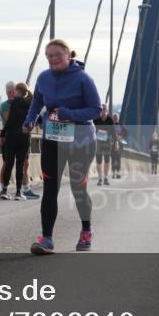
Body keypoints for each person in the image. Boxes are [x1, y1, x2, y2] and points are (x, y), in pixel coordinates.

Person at [22, 39, 102, 254]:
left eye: (57, 54)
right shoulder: (44, 77)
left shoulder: (83, 78)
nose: (52, 59)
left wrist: (69, 114)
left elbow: (95, 110)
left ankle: (86, 230)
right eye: (48, 56)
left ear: (68, 55)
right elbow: (37, 101)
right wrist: (30, 120)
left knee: (78, 187)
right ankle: (46, 238)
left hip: (81, 139)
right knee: (50, 188)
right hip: (53, 138)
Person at [0, 83, 33, 200]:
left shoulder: (14, 103)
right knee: (20, 165)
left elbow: (10, 121)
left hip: (12, 137)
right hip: (24, 137)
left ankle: (5, 190)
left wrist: (3, 133)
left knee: (9, 163)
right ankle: (18, 192)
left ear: (18, 91)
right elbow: (32, 121)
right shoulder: (30, 103)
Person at [94, 104, 114, 186]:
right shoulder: (96, 120)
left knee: (107, 160)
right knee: (99, 161)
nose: (103, 111)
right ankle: (99, 178)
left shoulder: (110, 120)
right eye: (102, 109)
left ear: (107, 111)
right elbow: (92, 131)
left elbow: (113, 132)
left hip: (107, 143)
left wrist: (115, 141)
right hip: (98, 143)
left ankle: (105, 178)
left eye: (104, 109)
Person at [111, 113, 127, 178]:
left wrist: (121, 136)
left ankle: (117, 173)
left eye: (116, 118)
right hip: (112, 144)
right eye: (114, 118)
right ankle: (114, 173)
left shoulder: (121, 126)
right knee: (113, 159)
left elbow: (126, 132)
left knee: (118, 159)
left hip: (119, 145)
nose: (115, 119)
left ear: (118, 119)